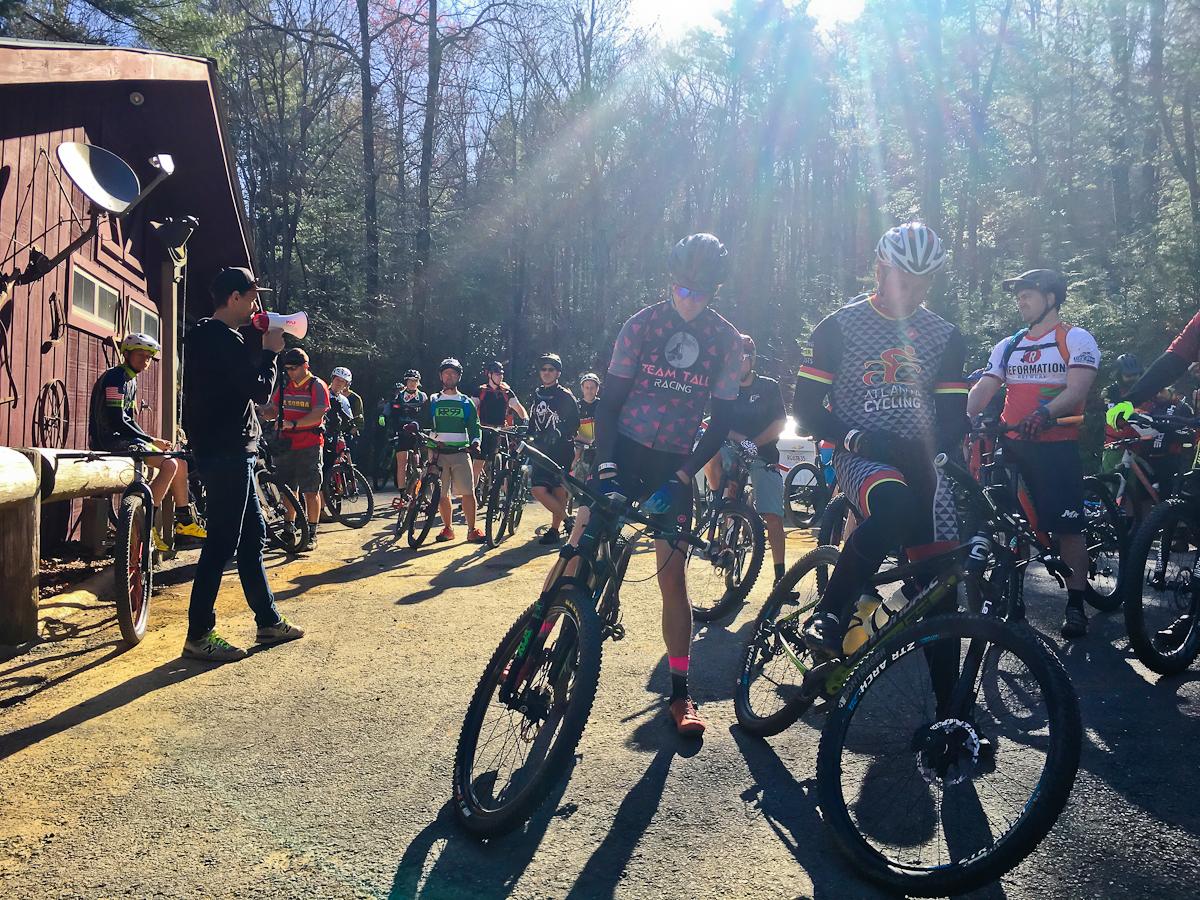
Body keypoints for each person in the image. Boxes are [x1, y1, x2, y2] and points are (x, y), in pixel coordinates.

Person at [576, 232, 743, 736]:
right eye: (682, 289)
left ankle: (679, 693)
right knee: (575, 549)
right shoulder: (641, 325)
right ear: (671, 283)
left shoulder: (726, 341)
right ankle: (533, 644)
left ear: (714, 290)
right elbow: (607, 404)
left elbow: (720, 422)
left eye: (701, 293)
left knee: (674, 579)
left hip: (675, 464)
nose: (688, 301)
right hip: (622, 451)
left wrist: (686, 472)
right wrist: (605, 467)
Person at [794, 223, 968, 658]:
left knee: (940, 589)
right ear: (880, 271)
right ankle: (828, 613)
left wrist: (944, 453)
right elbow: (806, 409)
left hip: (919, 458)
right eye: (903, 282)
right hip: (861, 453)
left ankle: (950, 718)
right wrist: (853, 438)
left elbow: (951, 417)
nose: (911, 294)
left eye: (921, 285)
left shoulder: (945, 336)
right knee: (894, 507)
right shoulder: (838, 327)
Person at [966, 268, 1100, 639]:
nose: (1020, 300)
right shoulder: (1009, 345)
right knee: (1011, 523)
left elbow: (1077, 389)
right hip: (1012, 446)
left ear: (1052, 299)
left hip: (1056, 447)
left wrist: (1044, 413)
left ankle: (1076, 605)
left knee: (1068, 526)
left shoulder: (1074, 338)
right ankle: (1014, 598)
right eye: (1019, 295)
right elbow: (986, 387)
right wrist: (963, 417)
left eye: (1028, 294)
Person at [180, 266, 303, 662]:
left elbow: (234, 390)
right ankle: (199, 634)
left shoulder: (210, 337)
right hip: (227, 450)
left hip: (231, 448)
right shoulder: (219, 338)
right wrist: (270, 350)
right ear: (233, 297)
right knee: (223, 541)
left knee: (253, 536)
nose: (255, 304)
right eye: (251, 297)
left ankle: (268, 622)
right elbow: (256, 385)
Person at [88, 332, 206, 549]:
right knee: (170, 463)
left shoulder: (129, 379)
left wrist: (151, 441)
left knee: (180, 464)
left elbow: (126, 420)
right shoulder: (116, 378)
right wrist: (151, 439)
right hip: (109, 441)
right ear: (127, 354)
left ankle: (184, 520)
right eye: (140, 355)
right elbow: (116, 420)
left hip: (122, 438)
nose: (145, 360)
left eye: (149, 357)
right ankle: (146, 524)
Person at [702, 334, 789, 584]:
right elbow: (717, 423)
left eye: (740, 359)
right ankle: (719, 504)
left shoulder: (768, 386)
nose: (734, 364)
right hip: (733, 450)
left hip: (764, 454)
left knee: (773, 516)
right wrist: (740, 439)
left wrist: (756, 443)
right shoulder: (724, 388)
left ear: (751, 360)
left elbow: (780, 423)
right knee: (711, 454)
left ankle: (780, 577)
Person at [261, 348, 330, 550]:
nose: (290, 372)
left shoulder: (317, 386)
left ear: (305, 366)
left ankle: (312, 533)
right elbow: (273, 409)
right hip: (286, 445)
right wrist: (262, 412)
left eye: (294, 368)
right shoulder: (284, 386)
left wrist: (293, 424)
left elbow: (318, 413)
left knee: (310, 490)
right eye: (287, 369)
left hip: (309, 444)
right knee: (287, 490)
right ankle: (289, 529)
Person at [429, 358, 485, 543]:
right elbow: (424, 422)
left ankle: (472, 529)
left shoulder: (465, 401)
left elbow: (474, 427)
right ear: (440, 376)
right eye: (446, 372)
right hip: (437, 453)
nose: (449, 376)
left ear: (458, 377)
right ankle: (448, 529)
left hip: (461, 452)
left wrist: (476, 442)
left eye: (453, 373)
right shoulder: (434, 400)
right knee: (441, 493)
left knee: (468, 492)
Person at [528, 352, 581, 545]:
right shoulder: (536, 393)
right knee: (538, 489)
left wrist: (559, 432)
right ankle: (568, 520)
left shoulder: (565, 395)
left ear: (558, 372)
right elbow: (534, 418)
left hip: (561, 450)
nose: (547, 372)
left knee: (559, 490)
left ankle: (554, 529)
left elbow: (574, 421)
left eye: (551, 369)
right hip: (540, 450)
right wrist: (528, 434)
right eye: (544, 369)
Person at [473, 360, 528, 481]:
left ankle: (505, 493)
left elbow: (518, 408)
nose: (500, 376)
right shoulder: (480, 391)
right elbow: (472, 408)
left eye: (501, 374)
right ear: (489, 375)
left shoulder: (506, 392)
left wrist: (525, 420)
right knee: (477, 465)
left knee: (506, 463)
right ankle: (471, 494)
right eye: (497, 374)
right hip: (484, 429)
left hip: (501, 430)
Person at [380, 370, 430, 499]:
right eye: (409, 381)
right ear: (406, 382)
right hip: (402, 431)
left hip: (419, 431)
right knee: (402, 461)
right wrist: (383, 416)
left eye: (414, 381)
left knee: (425, 461)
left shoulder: (423, 397)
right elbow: (389, 408)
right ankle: (402, 491)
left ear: (418, 382)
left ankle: (424, 488)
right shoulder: (399, 396)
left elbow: (428, 413)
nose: (412, 383)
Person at [1101, 354, 1145, 474]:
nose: (1132, 378)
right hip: (1116, 447)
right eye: (1128, 375)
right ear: (1119, 376)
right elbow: (1114, 416)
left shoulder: (1146, 389)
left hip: (1142, 446)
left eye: (1135, 375)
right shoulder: (1111, 392)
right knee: (1113, 486)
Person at [573, 372, 601, 478]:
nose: (589, 390)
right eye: (587, 387)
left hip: (599, 448)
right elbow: (571, 431)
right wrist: (589, 441)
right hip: (580, 448)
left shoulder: (602, 406)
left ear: (597, 389)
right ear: (582, 388)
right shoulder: (576, 407)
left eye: (592, 387)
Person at [329, 366, 364, 443]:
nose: (339, 383)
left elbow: (351, 422)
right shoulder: (322, 393)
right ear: (332, 379)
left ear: (346, 384)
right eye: (337, 379)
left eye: (343, 381)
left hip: (339, 437)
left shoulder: (345, 400)